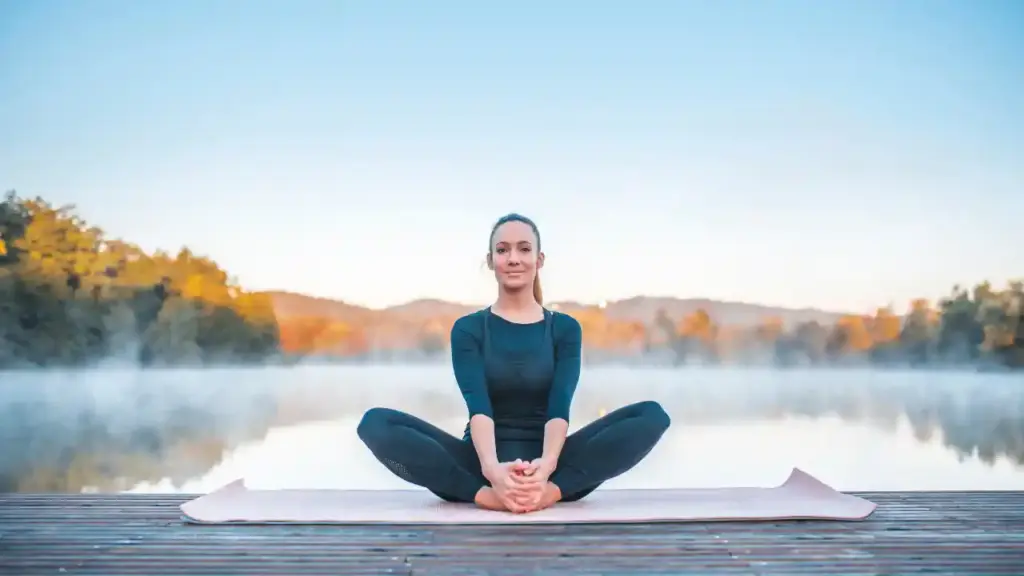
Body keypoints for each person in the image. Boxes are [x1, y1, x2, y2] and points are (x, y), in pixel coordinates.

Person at [357, 213, 671, 513]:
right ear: (491, 261)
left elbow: (559, 406)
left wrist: (546, 474)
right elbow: (478, 407)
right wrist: (493, 474)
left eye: (524, 249)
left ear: (540, 260)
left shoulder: (564, 328)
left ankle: (547, 496)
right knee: (376, 424)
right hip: (478, 469)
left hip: (556, 470)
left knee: (652, 417)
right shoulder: (469, 329)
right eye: (503, 250)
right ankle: (486, 498)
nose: (513, 258)